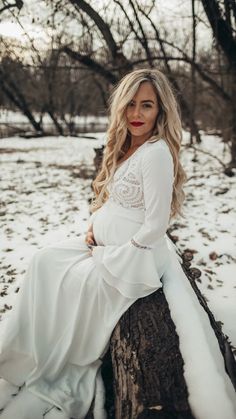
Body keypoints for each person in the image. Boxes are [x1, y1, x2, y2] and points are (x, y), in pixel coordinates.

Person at [0, 68, 235, 419]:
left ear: (161, 111)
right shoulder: (129, 146)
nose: (137, 114)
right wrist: (95, 226)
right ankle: (27, 353)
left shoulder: (156, 153)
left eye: (147, 106)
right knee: (44, 260)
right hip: (104, 247)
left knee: (74, 282)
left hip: (132, 259)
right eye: (130, 105)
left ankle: (54, 362)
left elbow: (156, 223)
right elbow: (117, 201)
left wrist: (119, 255)